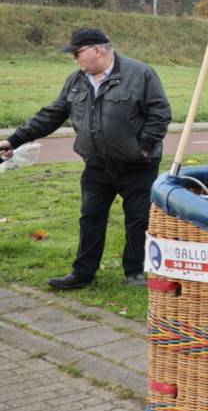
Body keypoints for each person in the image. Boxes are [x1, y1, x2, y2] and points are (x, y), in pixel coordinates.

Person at [0, 28, 171, 289]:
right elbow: (52, 115)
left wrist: (143, 149)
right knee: (90, 217)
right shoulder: (76, 80)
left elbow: (160, 113)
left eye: (77, 53)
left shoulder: (140, 74)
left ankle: (134, 272)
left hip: (137, 166)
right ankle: (83, 273)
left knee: (138, 219)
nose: (74, 58)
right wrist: (14, 140)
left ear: (97, 50)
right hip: (97, 166)